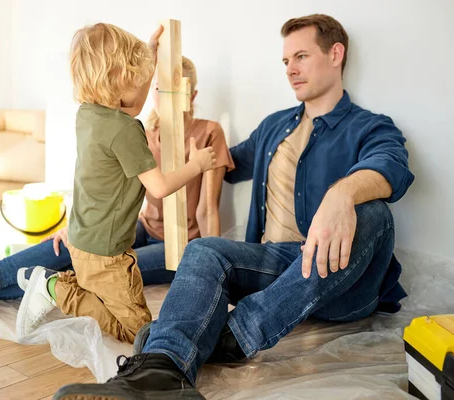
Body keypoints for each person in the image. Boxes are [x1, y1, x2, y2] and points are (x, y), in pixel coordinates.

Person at [52, 14, 415, 399]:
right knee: (203, 248)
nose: (291, 69)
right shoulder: (276, 127)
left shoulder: (370, 126)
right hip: (275, 264)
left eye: (301, 56)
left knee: (375, 213)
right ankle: (161, 371)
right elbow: (225, 162)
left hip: (337, 277)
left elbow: (391, 165)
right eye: (286, 61)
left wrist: (342, 195)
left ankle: (230, 337)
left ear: (336, 54)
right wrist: (188, 134)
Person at [0, 23, 222, 345]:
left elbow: (206, 208)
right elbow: (160, 187)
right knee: (134, 326)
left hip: (110, 235)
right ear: (124, 79)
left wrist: (212, 261)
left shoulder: (89, 113)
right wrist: (196, 164)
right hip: (117, 239)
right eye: (147, 80)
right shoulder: (132, 128)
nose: (152, 90)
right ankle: (46, 286)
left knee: (80, 267)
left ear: (190, 94)